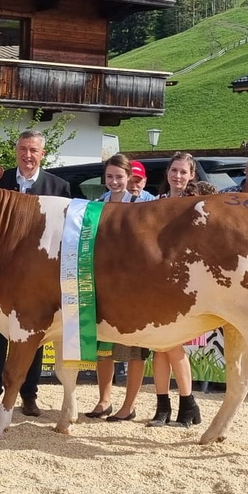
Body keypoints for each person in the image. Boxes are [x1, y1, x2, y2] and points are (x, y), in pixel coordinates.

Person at [0, 129, 71, 417]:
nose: (27, 155)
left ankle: (29, 396)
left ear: (42, 154)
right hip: (1, 275)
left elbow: (66, 236)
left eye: (33, 150)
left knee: (36, 336)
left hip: (40, 279)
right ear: (17, 151)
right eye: (23, 149)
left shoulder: (59, 187)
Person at [87, 154, 152, 422]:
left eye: (119, 177)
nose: (114, 181)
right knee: (104, 347)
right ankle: (104, 399)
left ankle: (130, 404)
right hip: (102, 284)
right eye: (110, 176)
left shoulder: (141, 205)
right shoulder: (94, 206)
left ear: (129, 179)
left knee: (134, 348)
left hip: (133, 287)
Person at [146, 152, 204, 428]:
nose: (178, 176)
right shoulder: (156, 203)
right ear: (167, 173)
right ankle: (162, 407)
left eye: (183, 172)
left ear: (192, 175)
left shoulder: (196, 205)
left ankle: (187, 403)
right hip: (156, 281)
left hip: (185, 284)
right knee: (160, 347)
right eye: (174, 170)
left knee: (172, 345)